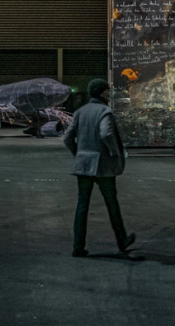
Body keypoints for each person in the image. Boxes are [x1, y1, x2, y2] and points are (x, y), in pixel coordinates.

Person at [63, 78, 135, 257]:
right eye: (107, 91)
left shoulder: (79, 112)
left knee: (82, 205)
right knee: (111, 203)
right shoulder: (105, 111)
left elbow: (67, 138)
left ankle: (78, 246)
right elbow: (106, 133)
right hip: (103, 166)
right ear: (102, 92)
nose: (109, 94)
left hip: (83, 165)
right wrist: (114, 152)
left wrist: (78, 153)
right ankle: (122, 240)